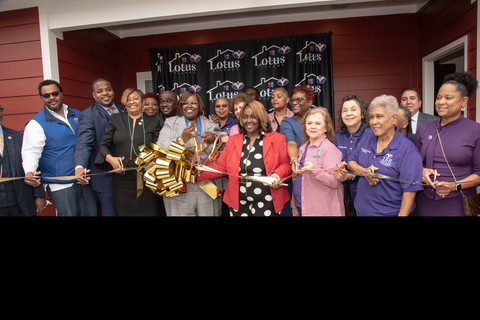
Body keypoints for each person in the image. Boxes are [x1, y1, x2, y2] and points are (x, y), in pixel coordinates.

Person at [196, 100, 291, 217]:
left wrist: (277, 174)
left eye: (253, 117)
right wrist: (195, 173)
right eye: (245, 117)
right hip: (238, 202)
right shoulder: (233, 140)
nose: (248, 120)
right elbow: (221, 167)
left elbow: (286, 166)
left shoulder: (277, 138)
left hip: (268, 200)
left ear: (261, 117)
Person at [22, 79, 97, 217]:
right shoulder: (36, 123)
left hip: (84, 178)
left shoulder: (77, 114)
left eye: (54, 93)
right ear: (42, 98)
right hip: (61, 183)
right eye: (46, 96)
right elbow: (31, 151)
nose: (51, 98)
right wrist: (29, 171)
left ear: (61, 94)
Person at [414, 71, 480, 217]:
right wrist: (422, 170)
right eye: (438, 97)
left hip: (458, 202)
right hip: (425, 200)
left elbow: (479, 174)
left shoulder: (476, 131)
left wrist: (454, 185)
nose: (441, 102)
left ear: (464, 101)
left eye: (448, 98)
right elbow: (413, 162)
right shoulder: (424, 129)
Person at [348, 94, 423, 217]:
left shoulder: (407, 150)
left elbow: (410, 191)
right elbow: (351, 161)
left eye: (379, 116)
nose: (374, 122)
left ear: (394, 119)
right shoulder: (368, 137)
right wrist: (364, 172)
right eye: (371, 117)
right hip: (361, 211)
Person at [94, 88, 161, 216]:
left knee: (148, 212)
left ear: (142, 101)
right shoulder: (116, 119)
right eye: (128, 99)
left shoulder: (153, 122)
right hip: (122, 177)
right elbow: (103, 145)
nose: (131, 102)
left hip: (146, 177)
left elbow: (158, 147)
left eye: (135, 98)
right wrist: (110, 158)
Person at [156, 91, 223, 216]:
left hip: (206, 185)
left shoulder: (211, 124)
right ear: (180, 105)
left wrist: (214, 139)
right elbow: (161, 148)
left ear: (200, 105)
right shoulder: (170, 123)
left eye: (194, 103)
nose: (189, 106)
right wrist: (181, 140)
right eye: (185, 103)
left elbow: (224, 147)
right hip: (180, 185)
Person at [74, 78, 125, 217]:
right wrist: (79, 166)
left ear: (113, 91)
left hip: (126, 173)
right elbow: (84, 143)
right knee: (110, 212)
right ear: (94, 95)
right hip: (104, 176)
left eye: (108, 89)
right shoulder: (88, 115)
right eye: (100, 91)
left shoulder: (123, 110)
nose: (105, 93)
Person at [292, 107, 344, 216]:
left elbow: (335, 182)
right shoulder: (303, 148)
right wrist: (293, 204)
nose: (313, 127)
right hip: (301, 205)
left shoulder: (329, 148)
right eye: (309, 123)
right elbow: (299, 178)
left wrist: (314, 171)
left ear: (326, 128)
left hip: (321, 210)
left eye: (318, 123)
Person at [0, 105, 46, 216]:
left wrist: (39, 194)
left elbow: (34, 164)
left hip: (21, 202)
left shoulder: (18, 137)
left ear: (1, 112)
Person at [334, 94, 373, 206]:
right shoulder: (336, 137)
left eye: (353, 109)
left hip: (367, 197)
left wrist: (353, 174)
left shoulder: (372, 135)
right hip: (341, 197)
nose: (348, 113)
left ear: (362, 114)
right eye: (344, 110)